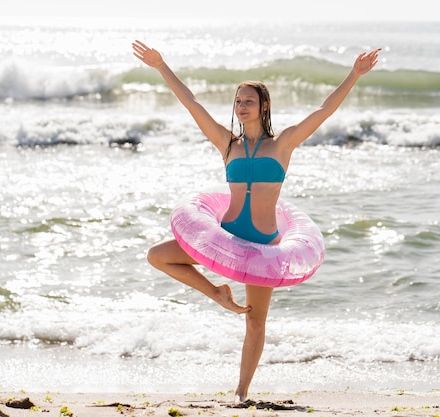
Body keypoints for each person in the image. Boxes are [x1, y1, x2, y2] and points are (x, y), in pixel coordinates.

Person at [132, 40, 380, 403]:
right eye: (237, 101)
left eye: (248, 101)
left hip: (263, 246)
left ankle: (241, 391)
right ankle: (217, 292)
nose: (241, 106)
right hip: (227, 237)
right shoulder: (226, 143)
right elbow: (192, 103)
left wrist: (354, 75)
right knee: (158, 255)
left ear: (263, 106)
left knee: (255, 321)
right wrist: (161, 65)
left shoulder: (283, 144)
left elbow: (324, 109)